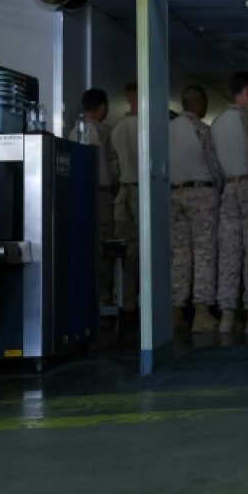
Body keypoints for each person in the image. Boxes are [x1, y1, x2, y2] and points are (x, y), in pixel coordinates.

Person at [212, 70, 248, 335]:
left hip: (228, 188)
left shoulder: (218, 121)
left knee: (229, 253)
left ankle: (226, 315)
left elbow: (213, 161)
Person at [168, 85, 224, 333]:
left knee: (179, 255)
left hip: (174, 193)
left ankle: (176, 312)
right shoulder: (202, 131)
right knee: (204, 254)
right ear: (200, 105)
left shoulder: (165, 130)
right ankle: (202, 313)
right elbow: (215, 164)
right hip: (202, 193)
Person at [69, 88, 117, 316]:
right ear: (102, 107)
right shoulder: (98, 131)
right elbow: (109, 167)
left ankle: (89, 300)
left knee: (89, 248)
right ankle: (103, 299)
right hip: (100, 195)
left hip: (82, 196)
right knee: (104, 249)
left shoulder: (73, 131)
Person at [109, 81, 140, 326]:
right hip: (144, 194)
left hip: (123, 193)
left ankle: (123, 303)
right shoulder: (151, 126)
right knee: (149, 250)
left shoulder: (116, 128)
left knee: (125, 252)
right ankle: (145, 303)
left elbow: (113, 167)